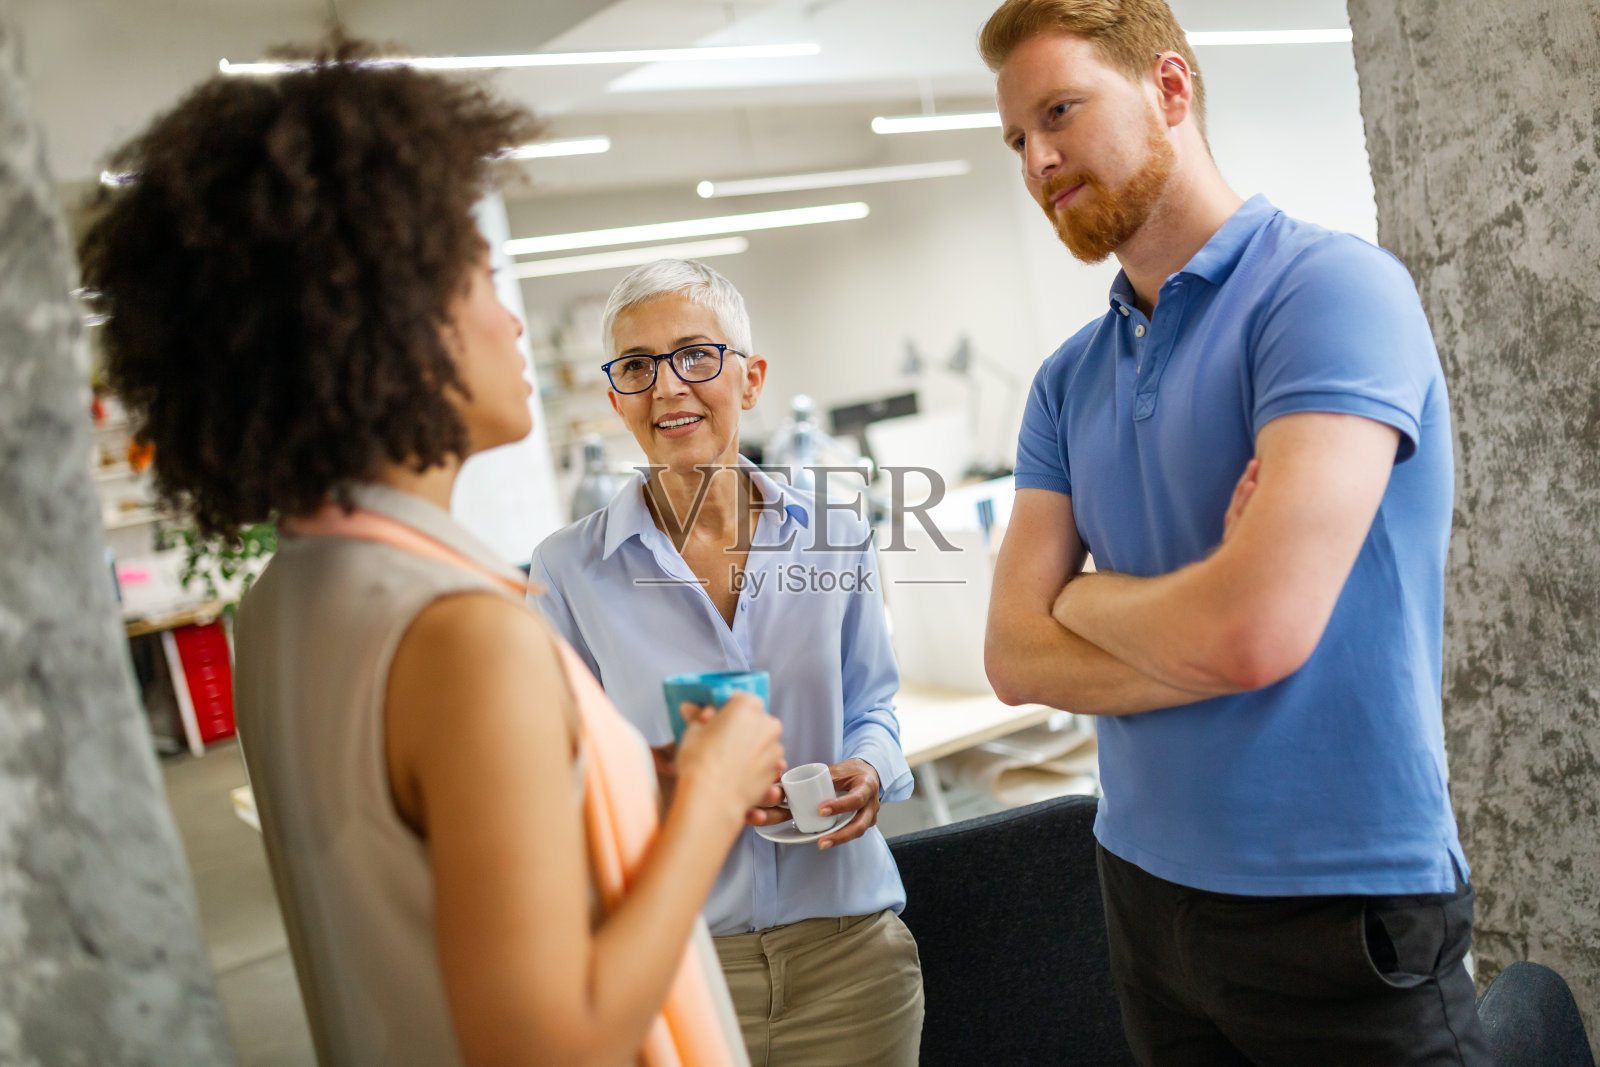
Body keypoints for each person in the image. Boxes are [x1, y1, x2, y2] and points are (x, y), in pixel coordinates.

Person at [80, 45, 784, 1067]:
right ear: (391, 323)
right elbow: (556, 1040)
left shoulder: (291, 593)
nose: (508, 320)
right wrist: (714, 803)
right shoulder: (461, 633)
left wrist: (624, 783)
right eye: (484, 279)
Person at [977, 2, 1490, 1064]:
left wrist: (1080, 595)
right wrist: (1202, 619)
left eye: (1060, 110)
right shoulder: (1066, 379)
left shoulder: (1328, 292)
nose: (1038, 158)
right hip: (1141, 885)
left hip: (1334, 903)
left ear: (1169, 89)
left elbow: (1252, 632)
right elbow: (1011, 655)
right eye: (1017, 138)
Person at [531, 259, 924, 1067]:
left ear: (750, 379)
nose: (669, 386)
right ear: (616, 401)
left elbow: (875, 704)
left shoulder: (834, 532)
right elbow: (562, 773)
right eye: (637, 366)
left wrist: (872, 769)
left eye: (696, 355)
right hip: (680, 969)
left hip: (850, 958)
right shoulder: (570, 570)